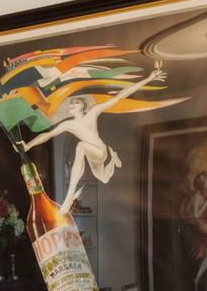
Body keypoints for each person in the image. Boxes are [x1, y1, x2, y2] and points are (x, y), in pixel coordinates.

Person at [25, 69, 166, 211]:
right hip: (92, 155)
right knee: (103, 178)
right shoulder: (68, 124)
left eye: (76, 102)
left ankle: (68, 198)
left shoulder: (92, 113)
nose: (72, 105)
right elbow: (47, 135)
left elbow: (120, 96)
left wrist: (148, 79)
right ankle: (113, 158)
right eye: (71, 103)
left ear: (83, 106)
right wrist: (28, 145)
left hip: (99, 151)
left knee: (81, 146)